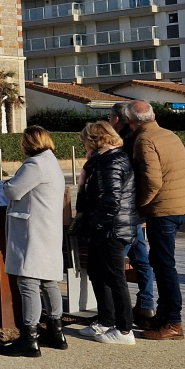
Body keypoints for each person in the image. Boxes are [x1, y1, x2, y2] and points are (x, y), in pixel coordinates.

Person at [0, 125, 68, 357]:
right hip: (48, 229)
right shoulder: (52, 162)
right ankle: (57, 333)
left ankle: (29, 338)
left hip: (33, 231)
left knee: (28, 282)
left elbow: (12, 191)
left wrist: (5, 183)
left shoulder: (35, 164)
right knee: (49, 281)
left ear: (29, 143)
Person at [129, 100, 185, 340]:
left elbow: (152, 181)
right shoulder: (171, 135)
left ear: (131, 121)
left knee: (165, 267)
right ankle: (164, 316)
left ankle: (173, 322)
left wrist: (141, 205)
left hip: (161, 211)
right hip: (179, 207)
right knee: (162, 263)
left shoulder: (144, 140)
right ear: (153, 115)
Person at [74, 121, 138, 344]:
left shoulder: (111, 161)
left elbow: (111, 201)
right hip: (106, 228)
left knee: (114, 278)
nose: (82, 144)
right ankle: (106, 320)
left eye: (84, 139)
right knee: (98, 273)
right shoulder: (102, 160)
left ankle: (124, 330)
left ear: (94, 139)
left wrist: (93, 224)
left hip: (111, 229)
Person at [109, 101, 155, 323]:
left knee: (115, 261)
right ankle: (146, 304)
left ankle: (118, 311)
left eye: (110, 118)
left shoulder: (123, 143)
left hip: (125, 211)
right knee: (141, 258)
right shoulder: (139, 137)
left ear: (118, 119)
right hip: (135, 209)